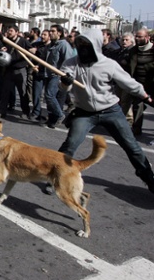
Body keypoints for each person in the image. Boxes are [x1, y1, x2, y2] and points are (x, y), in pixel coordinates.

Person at [51, 28, 154, 195]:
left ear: (96, 46)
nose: (83, 49)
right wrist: (65, 81)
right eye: (80, 44)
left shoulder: (109, 64)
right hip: (84, 112)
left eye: (87, 45)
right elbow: (64, 88)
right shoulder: (71, 63)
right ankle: (54, 177)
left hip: (110, 110)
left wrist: (145, 95)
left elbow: (128, 83)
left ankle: (149, 178)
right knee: (70, 144)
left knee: (132, 147)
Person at [0, 25, 33, 119]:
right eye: (8, 30)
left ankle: (26, 112)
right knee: (5, 92)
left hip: (20, 70)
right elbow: (1, 52)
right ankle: (2, 112)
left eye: (11, 31)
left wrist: (30, 55)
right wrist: (2, 51)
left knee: (22, 92)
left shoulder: (23, 41)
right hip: (9, 70)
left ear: (16, 32)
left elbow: (32, 51)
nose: (9, 32)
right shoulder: (6, 41)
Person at [41, 24, 74, 128]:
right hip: (49, 74)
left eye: (53, 31)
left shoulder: (63, 44)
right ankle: (52, 119)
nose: (51, 33)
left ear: (59, 33)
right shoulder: (52, 44)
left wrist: (65, 75)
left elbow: (68, 61)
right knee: (49, 97)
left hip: (57, 75)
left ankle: (60, 115)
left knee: (50, 95)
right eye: (50, 31)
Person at [128, 28, 154, 136]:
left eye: (140, 36)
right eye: (136, 36)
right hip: (139, 84)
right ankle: (136, 129)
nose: (137, 39)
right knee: (137, 106)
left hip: (152, 84)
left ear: (147, 37)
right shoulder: (133, 51)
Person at [30, 29, 50, 121]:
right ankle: (36, 112)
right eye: (42, 34)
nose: (42, 36)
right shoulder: (37, 45)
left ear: (49, 36)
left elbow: (49, 60)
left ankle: (50, 114)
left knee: (49, 95)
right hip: (38, 73)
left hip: (49, 74)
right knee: (36, 93)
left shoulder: (52, 47)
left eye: (45, 35)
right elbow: (28, 49)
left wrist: (39, 65)